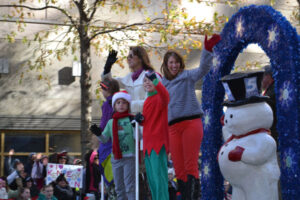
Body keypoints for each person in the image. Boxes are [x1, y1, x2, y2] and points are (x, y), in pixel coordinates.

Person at [160, 34, 221, 199]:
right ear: (166, 65)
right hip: (173, 127)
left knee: (189, 165)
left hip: (191, 123)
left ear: (180, 63)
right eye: (171, 63)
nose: (174, 65)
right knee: (178, 168)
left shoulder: (187, 76)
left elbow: (203, 69)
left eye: (176, 62)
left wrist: (207, 50)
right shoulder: (162, 84)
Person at [91, 91, 136, 200]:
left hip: (129, 157)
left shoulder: (131, 119)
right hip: (115, 158)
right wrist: (98, 133)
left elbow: (137, 137)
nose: (121, 105)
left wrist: (135, 126)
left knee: (129, 186)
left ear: (128, 105)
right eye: (118, 102)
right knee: (119, 187)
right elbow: (105, 139)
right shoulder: (111, 122)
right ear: (114, 106)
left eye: (124, 102)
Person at [134, 70, 169, 200]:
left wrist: (157, 81)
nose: (147, 82)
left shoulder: (160, 97)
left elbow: (166, 96)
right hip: (148, 145)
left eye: (150, 79)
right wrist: (141, 120)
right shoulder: (148, 100)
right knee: (153, 181)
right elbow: (149, 122)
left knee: (159, 179)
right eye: (145, 80)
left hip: (158, 144)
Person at [90, 78, 119, 198]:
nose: (101, 91)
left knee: (112, 184)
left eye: (103, 88)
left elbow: (105, 125)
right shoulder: (117, 101)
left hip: (109, 148)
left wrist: (99, 133)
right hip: (117, 146)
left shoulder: (108, 103)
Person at [101, 47, 154, 115]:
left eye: (131, 56)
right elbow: (109, 84)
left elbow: (151, 102)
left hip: (146, 120)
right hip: (130, 122)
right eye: (128, 57)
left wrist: (126, 106)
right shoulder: (129, 77)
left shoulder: (151, 76)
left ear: (140, 58)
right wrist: (107, 69)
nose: (128, 59)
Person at [262, 65, 278, 145]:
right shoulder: (272, 89)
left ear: (268, 76)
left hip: (275, 132)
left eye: (262, 77)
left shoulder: (272, 92)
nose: (260, 81)